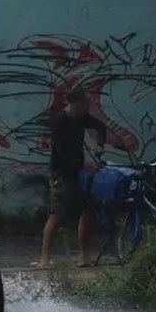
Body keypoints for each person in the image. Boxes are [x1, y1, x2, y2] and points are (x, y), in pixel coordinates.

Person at [37, 88, 108, 269]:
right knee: (57, 214)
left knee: (87, 210)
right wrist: (83, 165)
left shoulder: (82, 118)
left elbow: (101, 127)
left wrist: (100, 145)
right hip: (61, 172)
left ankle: (83, 256)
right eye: (86, 105)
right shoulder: (60, 122)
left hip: (79, 174)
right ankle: (44, 258)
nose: (88, 108)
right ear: (76, 104)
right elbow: (59, 154)